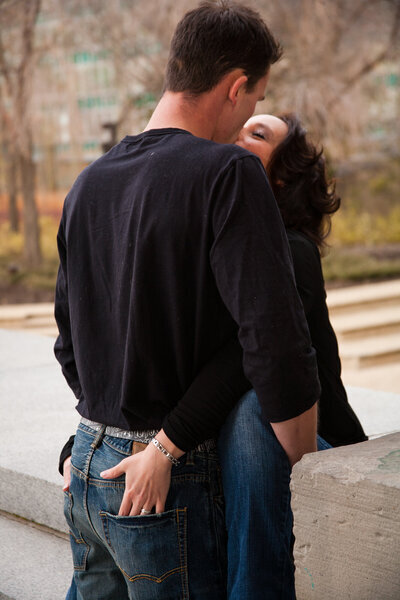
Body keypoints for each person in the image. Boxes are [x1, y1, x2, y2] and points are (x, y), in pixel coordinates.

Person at [55, 2, 320, 599]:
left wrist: (104, 428)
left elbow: (69, 345)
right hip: (164, 482)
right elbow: (274, 341)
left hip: (89, 466)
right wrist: (300, 467)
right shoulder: (227, 172)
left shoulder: (87, 183)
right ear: (235, 87)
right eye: (255, 99)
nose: (251, 112)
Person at [215, 113, 368, 598]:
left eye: (256, 135)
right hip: (259, 448)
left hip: (321, 444)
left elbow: (250, 361)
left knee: (254, 406)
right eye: (239, 126)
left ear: (281, 176)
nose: (238, 134)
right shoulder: (222, 236)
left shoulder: (290, 250)